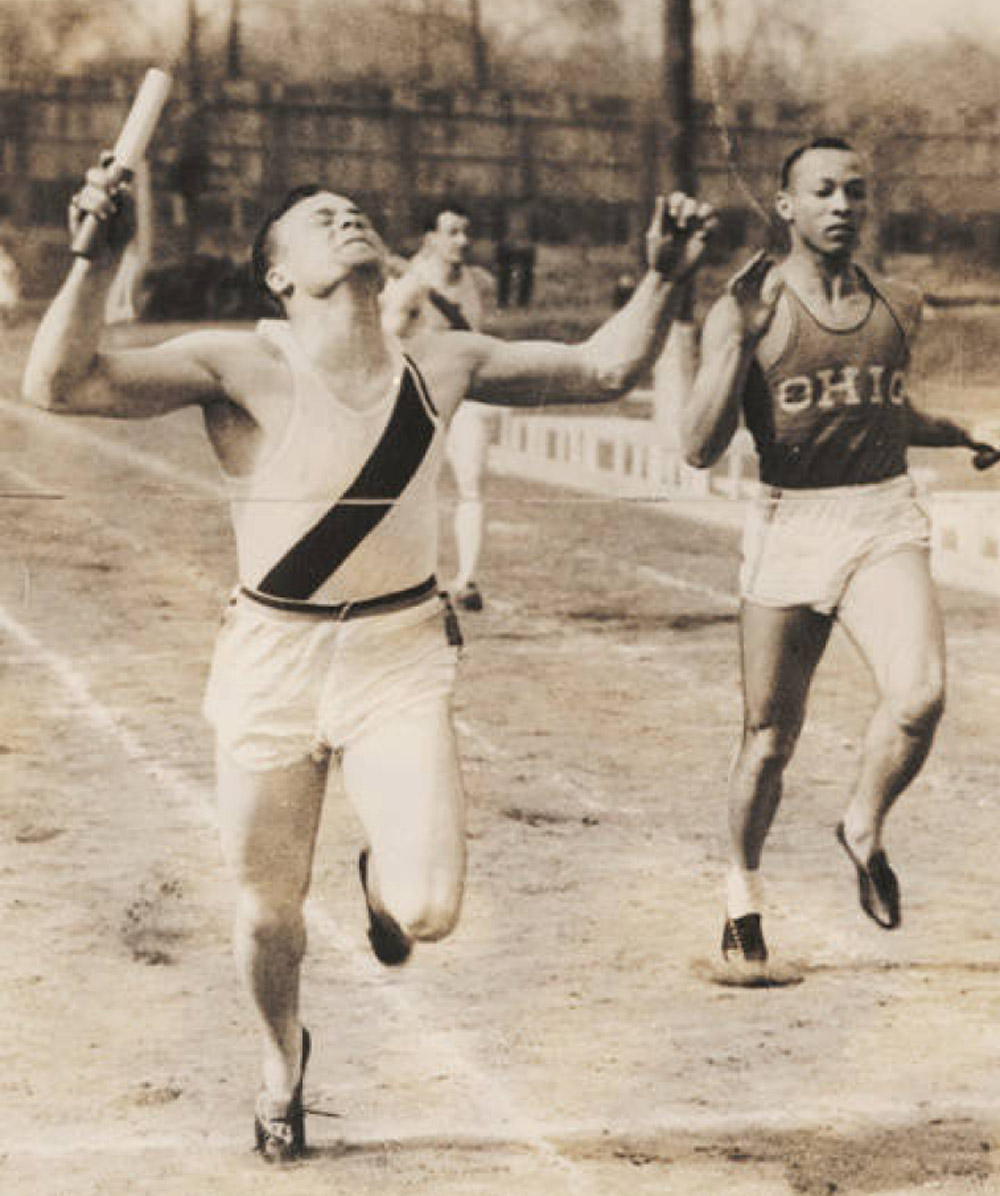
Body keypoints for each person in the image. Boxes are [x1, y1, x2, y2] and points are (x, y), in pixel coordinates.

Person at [23, 161, 717, 1161]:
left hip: (396, 649)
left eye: (352, 210)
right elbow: (60, 383)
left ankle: (380, 872)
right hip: (273, 653)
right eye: (315, 219)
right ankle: (280, 1062)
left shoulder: (443, 362)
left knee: (428, 908)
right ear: (278, 276)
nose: (344, 215)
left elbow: (604, 370)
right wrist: (93, 258)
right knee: (268, 914)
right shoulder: (238, 363)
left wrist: (662, 278)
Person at [682, 137, 999, 975]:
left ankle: (862, 820)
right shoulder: (748, 305)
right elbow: (697, 445)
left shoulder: (900, 302)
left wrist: (959, 430)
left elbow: (882, 409)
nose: (842, 206)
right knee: (769, 738)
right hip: (791, 525)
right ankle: (741, 895)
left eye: (856, 191)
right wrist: (740, 341)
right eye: (823, 191)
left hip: (883, 515)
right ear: (785, 206)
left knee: (921, 693)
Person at [381, 200, 496, 610]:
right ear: (431, 239)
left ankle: (467, 579)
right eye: (452, 232)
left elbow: (482, 337)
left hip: (467, 397)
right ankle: (408, 579)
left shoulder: (480, 282)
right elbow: (386, 342)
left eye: (466, 232)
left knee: (473, 483)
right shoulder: (409, 284)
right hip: (420, 396)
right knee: (408, 489)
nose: (462, 241)